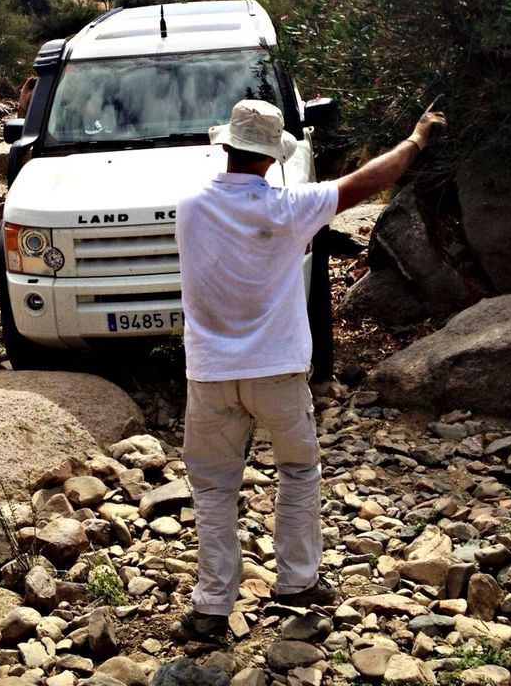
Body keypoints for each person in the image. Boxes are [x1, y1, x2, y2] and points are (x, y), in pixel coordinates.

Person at [173, 98, 447, 640]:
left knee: (212, 488)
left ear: (224, 146)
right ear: (274, 159)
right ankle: (297, 581)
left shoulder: (190, 208)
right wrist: (416, 139)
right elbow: (366, 181)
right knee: (298, 472)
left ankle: (211, 606)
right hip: (277, 371)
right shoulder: (290, 209)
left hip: (209, 375)